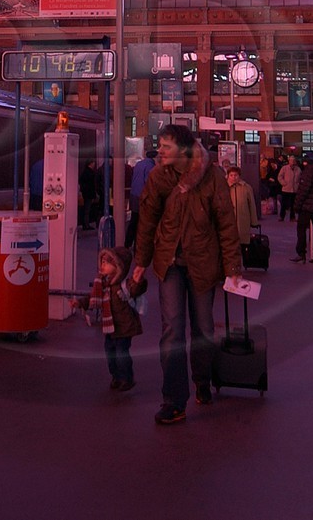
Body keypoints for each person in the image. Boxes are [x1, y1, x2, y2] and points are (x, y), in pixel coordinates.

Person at [131, 123, 241, 425]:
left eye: (166, 147)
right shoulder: (158, 176)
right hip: (169, 264)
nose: (160, 151)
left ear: (182, 149)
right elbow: (147, 220)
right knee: (172, 330)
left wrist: (233, 268)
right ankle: (173, 400)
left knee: (203, 328)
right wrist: (141, 261)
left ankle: (202, 379)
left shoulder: (212, 178)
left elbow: (226, 224)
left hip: (203, 262)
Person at [70, 246, 146, 391]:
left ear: (118, 267)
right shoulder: (102, 283)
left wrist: (138, 281)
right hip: (110, 328)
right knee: (110, 354)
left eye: (107, 262)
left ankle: (126, 378)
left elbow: (136, 289)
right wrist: (79, 303)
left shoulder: (123, 285)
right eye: (102, 262)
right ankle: (116, 377)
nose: (102, 265)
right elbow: (92, 298)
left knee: (121, 354)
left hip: (124, 328)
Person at [125, 146, 157, 244]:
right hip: (142, 197)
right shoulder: (151, 166)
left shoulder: (138, 164)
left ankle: (128, 242)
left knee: (134, 220)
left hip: (134, 194)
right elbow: (149, 182)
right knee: (142, 223)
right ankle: (137, 246)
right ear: (154, 158)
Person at [225, 166, 259, 251]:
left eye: (235, 175)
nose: (233, 177)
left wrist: (254, 222)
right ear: (228, 176)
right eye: (231, 175)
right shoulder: (224, 187)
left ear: (239, 176)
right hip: (228, 220)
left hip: (243, 220)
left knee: (242, 243)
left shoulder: (246, 188)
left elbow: (252, 205)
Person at [277, 153, 299, 221]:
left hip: (294, 189)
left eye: (294, 160)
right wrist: (284, 183)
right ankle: (282, 216)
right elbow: (280, 177)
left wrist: (298, 185)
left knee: (293, 205)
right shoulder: (284, 168)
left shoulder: (298, 169)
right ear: (289, 161)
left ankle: (292, 217)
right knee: (284, 204)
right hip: (286, 189)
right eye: (291, 160)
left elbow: (300, 178)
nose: (292, 162)